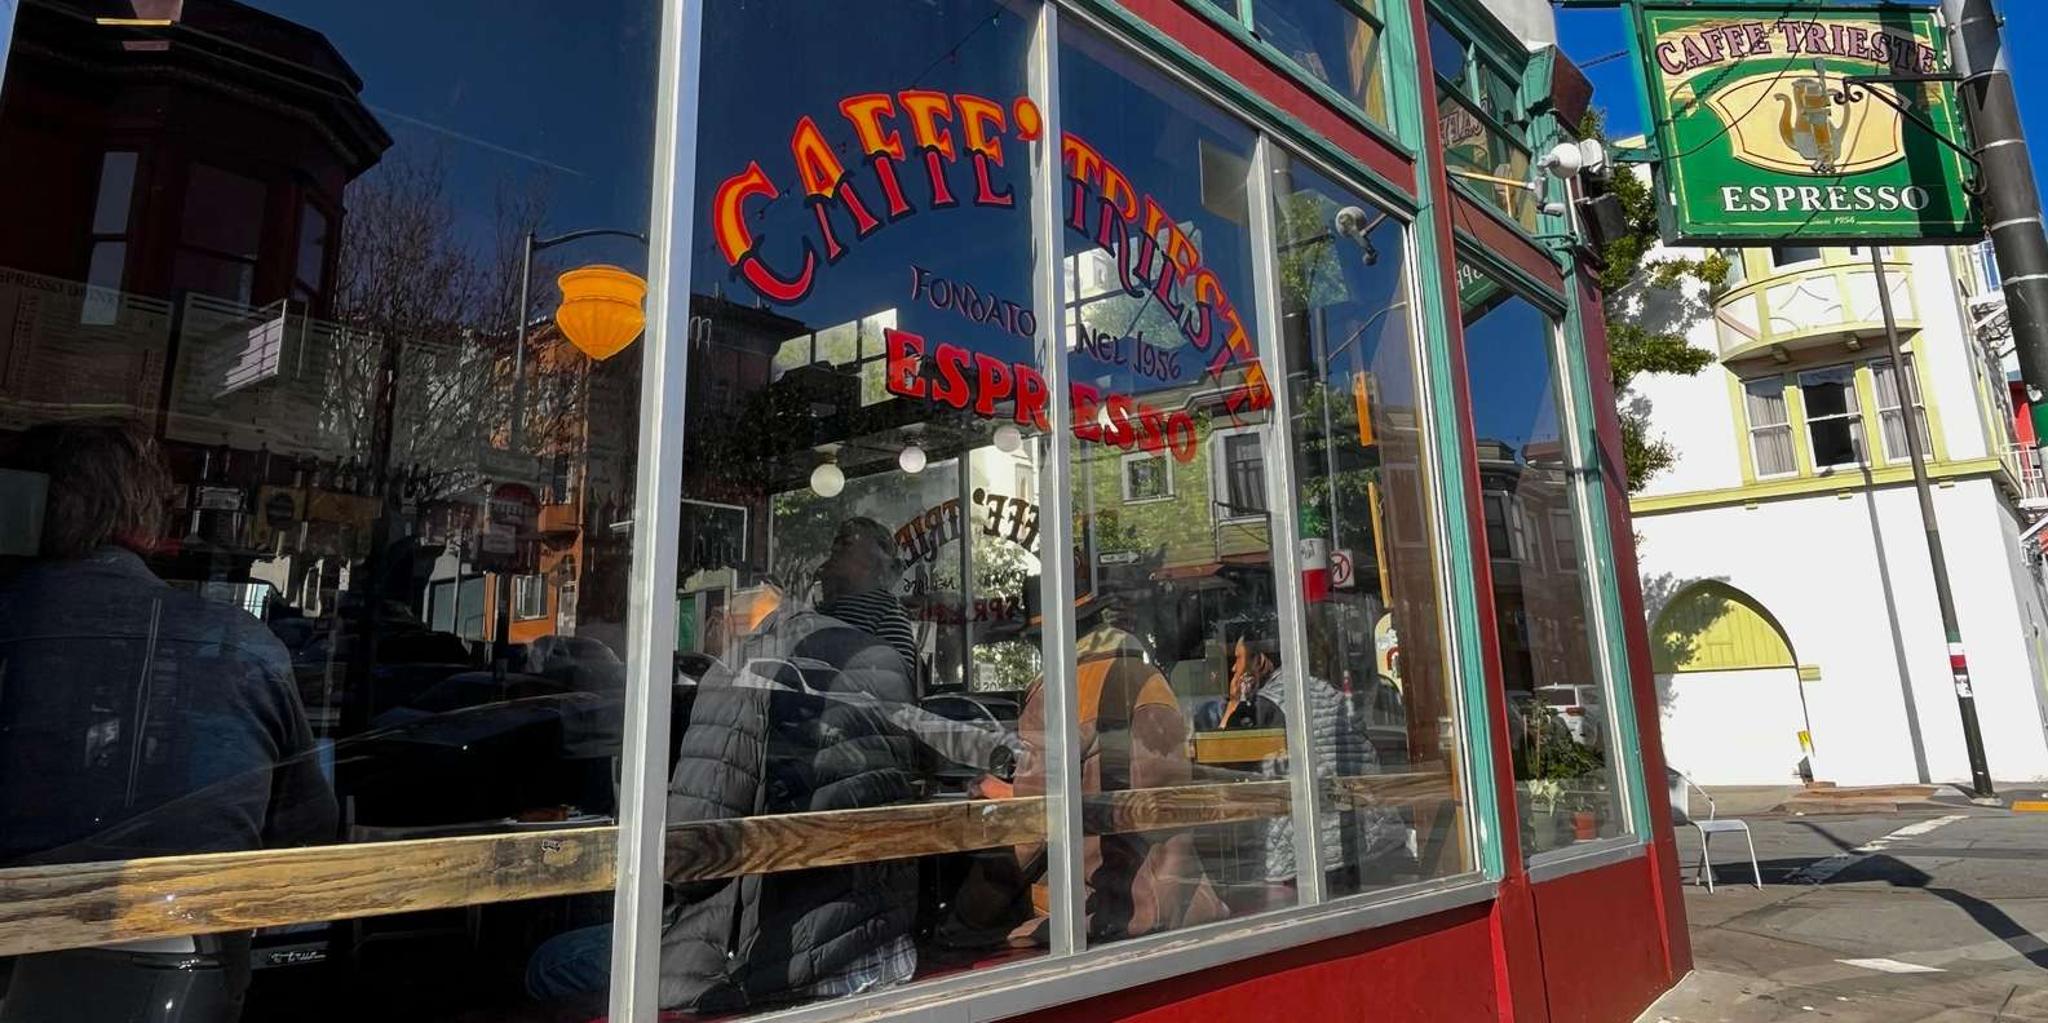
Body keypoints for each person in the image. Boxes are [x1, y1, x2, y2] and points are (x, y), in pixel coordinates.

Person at [0, 421, 335, 1021]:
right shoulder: (243, 648)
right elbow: (304, 844)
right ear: (149, 521)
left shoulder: (18, 625)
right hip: (186, 987)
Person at [952, 594, 1226, 945]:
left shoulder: (1062, 692)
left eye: (1037, 642)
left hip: (1115, 912)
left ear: (1048, 639)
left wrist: (962, 919)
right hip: (1183, 901)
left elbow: (1032, 827)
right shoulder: (1147, 678)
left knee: (993, 939)